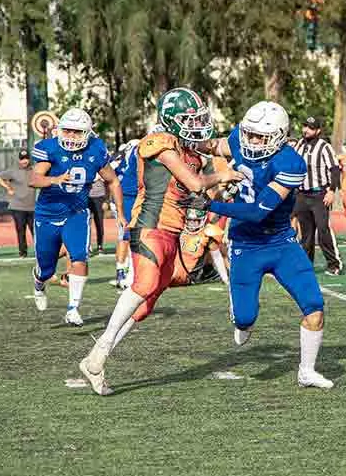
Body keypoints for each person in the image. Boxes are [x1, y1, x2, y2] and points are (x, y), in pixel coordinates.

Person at [78, 87, 241, 395]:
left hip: (173, 231)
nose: (195, 124)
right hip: (149, 224)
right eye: (188, 119)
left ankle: (95, 360)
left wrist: (237, 165)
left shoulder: (193, 149)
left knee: (144, 306)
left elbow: (206, 176)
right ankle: (98, 353)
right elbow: (194, 182)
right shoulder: (158, 142)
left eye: (197, 118)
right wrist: (221, 177)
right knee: (144, 284)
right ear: (170, 120)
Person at [179, 101, 335, 389]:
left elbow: (257, 211)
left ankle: (307, 371)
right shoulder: (241, 138)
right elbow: (214, 146)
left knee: (314, 305)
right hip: (245, 244)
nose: (251, 141)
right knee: (245, 320)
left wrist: (210, 205)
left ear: (278, 136)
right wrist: (184, 139)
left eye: (259, 137)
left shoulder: (290, 162)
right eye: (248, 134)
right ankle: (240, 316)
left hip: (280, 241)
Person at [30, 107, 126, 326]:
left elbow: (113, 181)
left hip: (77, 211)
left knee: (79, 257)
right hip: (47, 214)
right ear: (60, 130)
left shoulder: (96, 148)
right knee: (46, 268)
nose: (71, 136)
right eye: (68, 131)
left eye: (77, 132)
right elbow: (34, 179)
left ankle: (73, 308)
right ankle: (38, 281)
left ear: (87, 133)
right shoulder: (50, 148)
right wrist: (54, 180)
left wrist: (120, 213)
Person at [293, 114, 342, 275]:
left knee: (322, 230)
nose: (306, 130)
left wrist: (331, 191)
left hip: (319, 194)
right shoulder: (299, 145)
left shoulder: (324, 147)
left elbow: (335, 169)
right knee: (306, 234)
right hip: (302, 194)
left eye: (310, 128)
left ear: (318, 130)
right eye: (305, 126)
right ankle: (307, 266)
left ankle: (334, 264)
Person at [110, 139, 140, 288]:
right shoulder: (136, 152)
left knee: (130, 235)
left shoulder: (122, 158)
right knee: (127, 236)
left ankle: (125, 271)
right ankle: (122, 273)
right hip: (126, 197)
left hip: (127, 197)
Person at [0, 149, 36, 258]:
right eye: (22, 159)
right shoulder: (13, 171)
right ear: (19, 160)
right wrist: (8, 188)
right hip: (17, 206)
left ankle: (39, 251)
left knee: (35, 230)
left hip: (32, 207)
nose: (24, 161)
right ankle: (23, 252)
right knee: (20, 230)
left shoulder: (34, 170)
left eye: (26, 159)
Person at [88, 173, 107, 255]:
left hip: (99, 197)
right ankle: (88, 246)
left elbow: (109, 183)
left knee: (99, 223)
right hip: (87, 197)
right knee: (86, 223)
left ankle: (100, 245)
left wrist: (106, 200)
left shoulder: (101, 165)